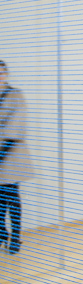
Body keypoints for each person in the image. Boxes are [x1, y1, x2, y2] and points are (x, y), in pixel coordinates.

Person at [0, 60, 34, 254]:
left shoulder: (16, 95)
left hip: (11, 154)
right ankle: (2, 233)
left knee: (11, 195)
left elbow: (15, 128)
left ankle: (15, 237)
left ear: (7, 74)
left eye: (1, 72)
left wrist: (1, 155)